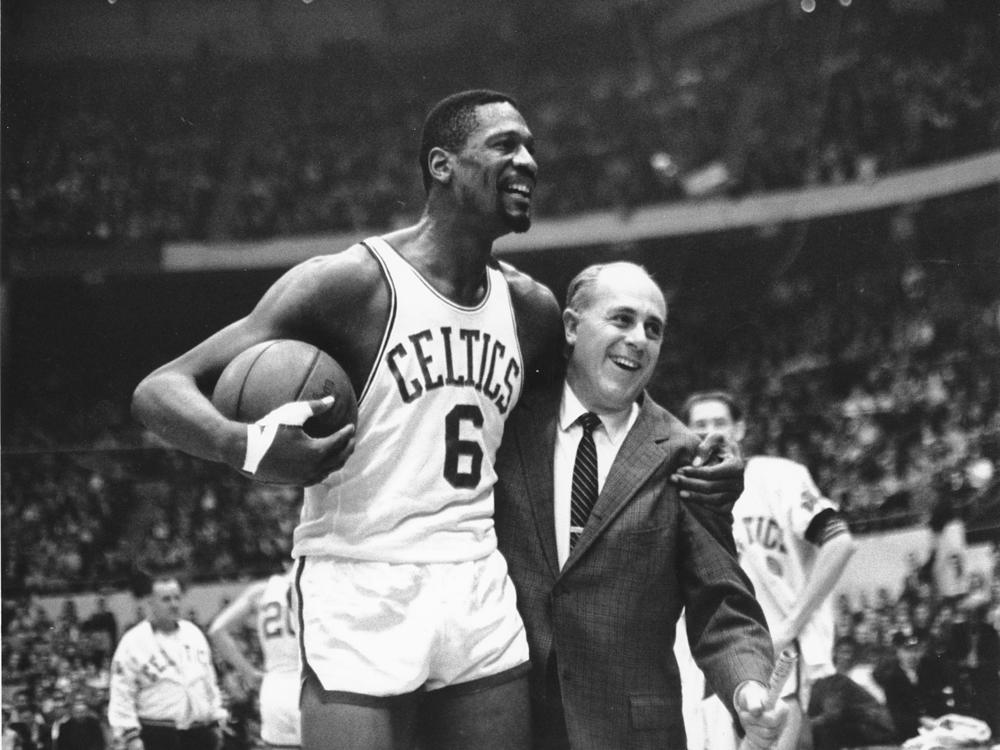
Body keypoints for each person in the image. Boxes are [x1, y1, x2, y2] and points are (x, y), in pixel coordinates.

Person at [131, 90, 740, 750]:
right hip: (360, 576)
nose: (529, 161)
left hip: (474, 577)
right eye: (506, 145)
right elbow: (161, 389)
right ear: (443, 165)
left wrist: (697, 450)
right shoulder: (353, 284)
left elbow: (609, 390)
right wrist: (241, 444)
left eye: (532, 147)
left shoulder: (529, 307)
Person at [493, 262, 784, 750]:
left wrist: (746, 686)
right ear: (570, 326)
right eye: (622, 319)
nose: (639, 338)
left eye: (653, 328)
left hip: (633, 735)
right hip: (514, 724)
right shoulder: (509, 423)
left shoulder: (684, 455)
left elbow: (722, 603)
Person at [680, 390, 859, 750]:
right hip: (707, 661)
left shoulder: (779, 477)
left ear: (740, 429)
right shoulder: (681, 490)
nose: (710, 432)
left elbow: (839, 541)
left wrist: (791, 625)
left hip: (775, 653)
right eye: (699, 425)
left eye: (720, 423)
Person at [107, 574, 227, 750]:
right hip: (157, 732)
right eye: (166, 599)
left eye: (177, 598)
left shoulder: (194, 634)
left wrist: (216, 718)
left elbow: (209, 682)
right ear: (151, 602)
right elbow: (121, 693)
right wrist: (130, 735)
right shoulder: (133, 642)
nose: (174, 604)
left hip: (199, 732)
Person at [208, 566, 300, 748]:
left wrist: (248, 672)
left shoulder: (262, 590)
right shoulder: (315, 586)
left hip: (274, 688)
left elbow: (216, 630)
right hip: (308, 687)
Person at [807, 637, 895, 750]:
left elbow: (831, 715)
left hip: (877, 729)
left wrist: (804, 725)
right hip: (861, 725)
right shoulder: (818, 681)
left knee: (825, 729)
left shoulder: (834, 679)